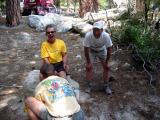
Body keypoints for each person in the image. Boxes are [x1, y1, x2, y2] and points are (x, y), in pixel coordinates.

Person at [83, 21, 113, 95]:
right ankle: (89, 86)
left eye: (98, 30)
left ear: (102, 30)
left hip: (102, 50)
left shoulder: (106, 36)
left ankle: (106, 86)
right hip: (92, 50)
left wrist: (107, 62)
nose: (96, 32)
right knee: (89, 67)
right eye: (94, 30)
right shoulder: (88, 35)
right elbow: (86, 49)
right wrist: (88, 62)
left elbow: (109, 49)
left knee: (106, 68)